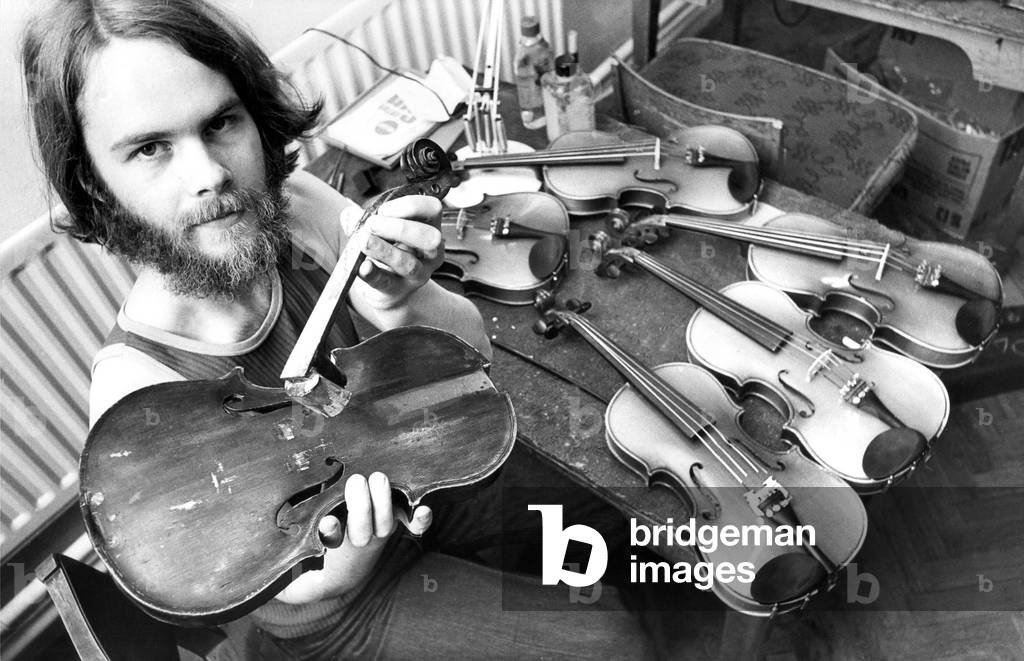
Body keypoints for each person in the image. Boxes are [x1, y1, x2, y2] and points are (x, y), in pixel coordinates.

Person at [20, 1, 655, 658]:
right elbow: (297, 588)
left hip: (417, 464)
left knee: (616, 515)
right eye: (150, 148)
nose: (208, 174)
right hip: (342, 603)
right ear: (94, 185)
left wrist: (401, 298)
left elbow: (473, 353)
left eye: (220, 123)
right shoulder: (138, 388)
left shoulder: (296, 209)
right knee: (609, 640)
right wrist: (356, 544)